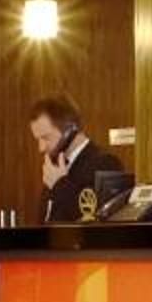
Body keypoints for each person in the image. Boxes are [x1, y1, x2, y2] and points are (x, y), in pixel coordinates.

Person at [29, 93, 100, 225]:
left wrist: (59, 184)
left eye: (46, 138)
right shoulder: (55, 165)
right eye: (38, 139)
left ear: (70, 130)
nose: (41, 148)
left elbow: (91, 219)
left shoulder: (103, 163)